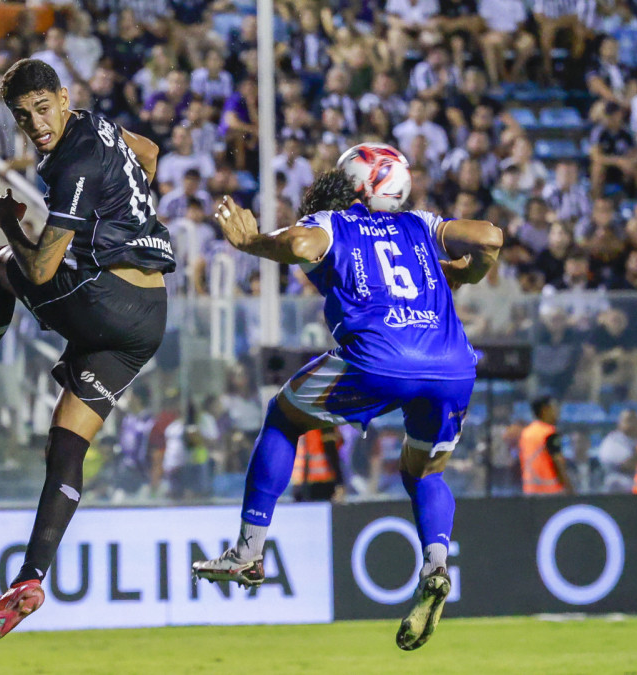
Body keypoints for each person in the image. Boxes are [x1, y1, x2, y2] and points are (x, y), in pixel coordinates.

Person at [190, 146, 502, 652]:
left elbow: (299, 245)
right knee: (425, 471)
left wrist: (250, 242)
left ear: (354, 183)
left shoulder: (336, 221)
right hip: (452, 365)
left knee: (283, 418)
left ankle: (248, 551)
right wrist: (469, 273)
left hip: (379, 359)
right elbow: (490, 237)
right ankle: (437, 564)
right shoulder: (420, 225)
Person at [0, 58, 172, 645]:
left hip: (108, 300)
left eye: (42, 110)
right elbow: (147, 154)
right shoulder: (98, 124)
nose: (36, 125)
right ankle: (30, 577)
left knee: (3, 268)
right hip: (147, 320)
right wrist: (131, 208)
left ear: (63, 98)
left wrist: (9, 227)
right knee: (66, 443)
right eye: (23, 117)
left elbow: (43, 266)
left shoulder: (71, 159)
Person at [518, 396, 574, 495]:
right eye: (554, 408)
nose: (557, 412)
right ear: (545, 410)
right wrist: (569, 489)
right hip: (550, 491)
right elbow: (558, 462)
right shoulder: (549, 433)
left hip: (530, 489)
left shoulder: (526, 433)